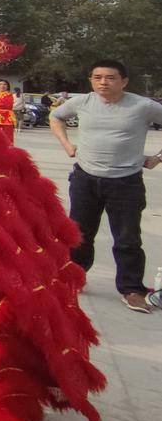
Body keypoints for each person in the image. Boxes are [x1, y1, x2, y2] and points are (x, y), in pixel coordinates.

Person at [49, 59, 162, 313]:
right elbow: (56, 117)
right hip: (85, 179)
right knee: (79, 235)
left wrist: (158, 158)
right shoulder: (82, 102)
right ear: (91, 80)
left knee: (127, 238)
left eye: (110, 78)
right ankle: (73, 280)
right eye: (97, 77)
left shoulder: (142, 106)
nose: (103, 82)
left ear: (124, 81)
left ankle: (131, 289)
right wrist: (67, 145)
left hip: (126, 183)